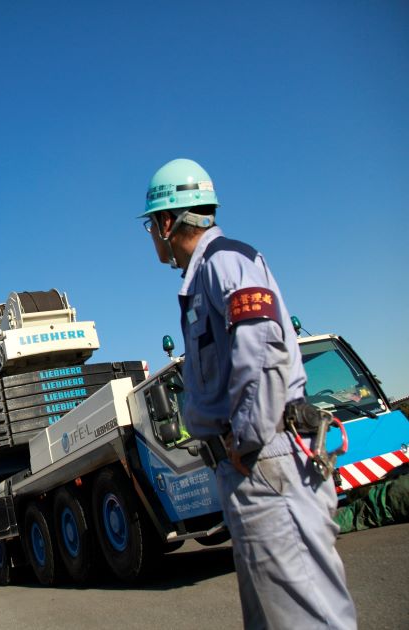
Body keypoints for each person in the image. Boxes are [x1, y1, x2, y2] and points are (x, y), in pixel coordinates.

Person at [140, 158, 357, 629]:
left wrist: (249, 437)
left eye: (150, 226)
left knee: (302, 617)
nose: (151, 238)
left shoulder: (225, 261)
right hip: (250, 468)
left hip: (264, 462)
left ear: (165, 221)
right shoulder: (202, 277)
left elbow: (260, 346)